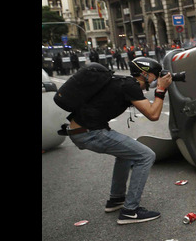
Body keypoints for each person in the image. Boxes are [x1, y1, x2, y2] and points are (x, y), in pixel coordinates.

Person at [63, 57, 172, 224]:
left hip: (81, 130)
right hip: (90, 132)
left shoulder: (124, 83)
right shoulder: (130, 85)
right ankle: (130, 211)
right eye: (155, 76)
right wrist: (161, 89)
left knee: (127, 154)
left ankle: (116, 199)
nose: (156, 79)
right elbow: (153, 114)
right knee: (145, 155)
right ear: (144, 74)